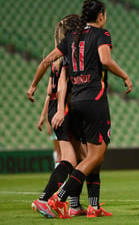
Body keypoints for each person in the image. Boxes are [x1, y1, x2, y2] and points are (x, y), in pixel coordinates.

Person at [27, 0, 133, 219]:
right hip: (90, 100)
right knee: (93, 156)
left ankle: (86, 205)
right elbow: (104, 60)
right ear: (101, 15)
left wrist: (34, 86)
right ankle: (57, 197)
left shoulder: (71, 41)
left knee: (85, 156)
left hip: (73, 103)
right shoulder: (99, 36)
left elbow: (48, 68)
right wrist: (125, 76)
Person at [31, 14, 87, 218]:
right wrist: (63, 110)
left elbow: (49, 90)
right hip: (65, 108)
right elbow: (63, 85)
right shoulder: (69, 57)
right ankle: (45, 199)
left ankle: (73, 204)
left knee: (80, 157)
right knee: (72, 159)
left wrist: (46, 109)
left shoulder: (56, 57)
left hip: (57, 106)